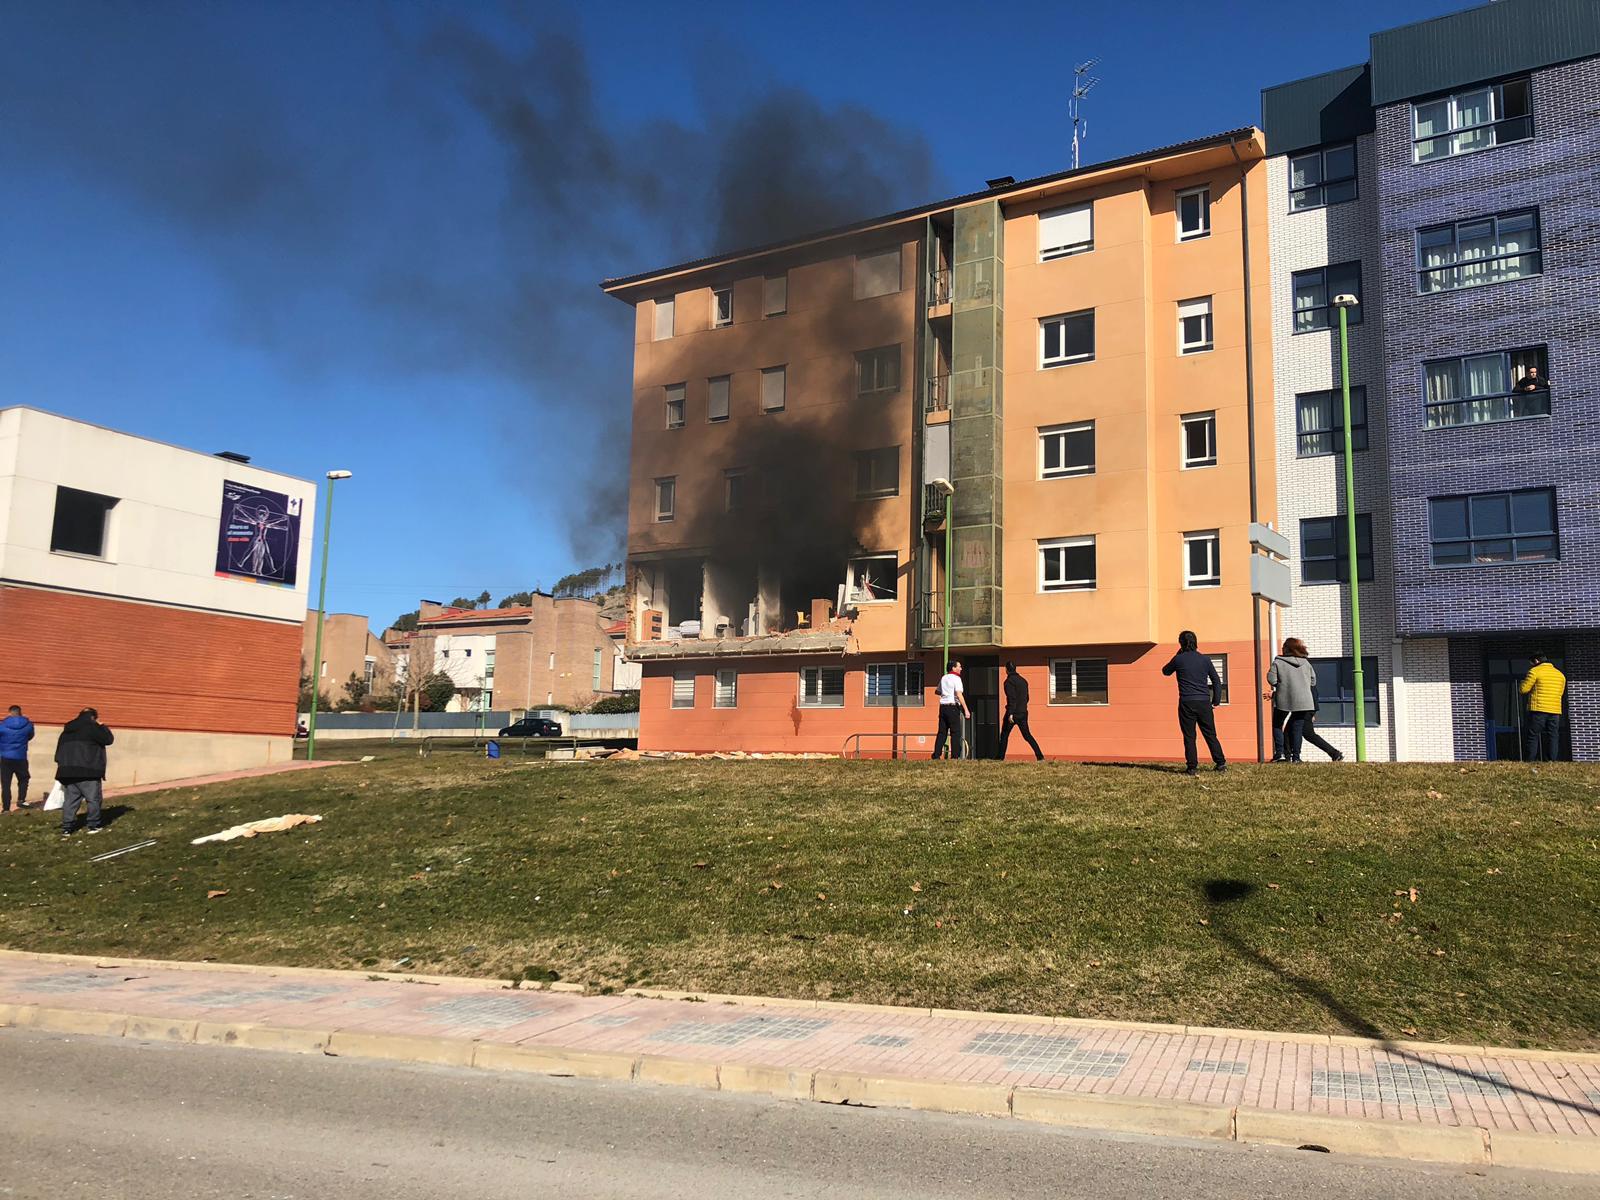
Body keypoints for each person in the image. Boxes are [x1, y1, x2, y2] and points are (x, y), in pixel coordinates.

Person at [1161, 631, 1226, 775]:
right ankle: (1220, 763)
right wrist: (1216, 700)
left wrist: (1178, 655)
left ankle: (1192, 767)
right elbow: (1216, 680)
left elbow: (1165, 671)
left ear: (1181, 643)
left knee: (1189, 736)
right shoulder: (1205, 660)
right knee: (1210, 734)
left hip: (1186, 702)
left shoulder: (1179, 660)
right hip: (1204, 702)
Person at [1267, 639, 1341, 762]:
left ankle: (1280, 754)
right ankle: (1296, 757)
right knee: (1297, 729)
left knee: (1277, 724)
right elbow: (1313, 681)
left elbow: (1271, 679)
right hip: (1304, 701)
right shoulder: (1306, 663)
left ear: (1286, 649)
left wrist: (1281, 687)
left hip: (1283, 699)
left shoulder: (1278, 662)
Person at [56, 707, 114, 837]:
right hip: (88, 770)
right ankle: (93, 825)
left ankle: (67, 827)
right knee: (93, 799)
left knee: (70, 800)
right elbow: (108, 739)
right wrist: (102, 725)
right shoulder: (92, 727)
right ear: (93, 717)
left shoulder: (67, 731)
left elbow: (58, 752)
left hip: (67, 771)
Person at [1519, 653, 1566, 762]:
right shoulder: (1560, 675)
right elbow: (1561, 692)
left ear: (1536, 661)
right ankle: (1551, 760)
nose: (1530, 665)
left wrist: (1522, 683)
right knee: (1553, 735)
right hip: (1555, 710)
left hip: (1538, 709)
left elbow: (1523, 690)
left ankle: (1530, 760)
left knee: (1533, 735)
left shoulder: (1534, 672)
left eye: (1531, 663)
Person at [998, 662, 1044, 761]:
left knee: (1004, 735)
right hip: (1023, 712)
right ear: (1015, 668)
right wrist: (1022, 707)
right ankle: (1040, 756)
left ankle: (1000, 758)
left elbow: (1011, 698)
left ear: (1006, 670)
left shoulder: (1009, 682)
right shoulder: (1023, 681)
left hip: (1013, 713)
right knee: (1027, 735)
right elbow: (1027, 698)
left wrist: (1010, 713)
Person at [931, 660, 970, 760]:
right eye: (959, 666)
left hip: (943, 707)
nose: (961, 669)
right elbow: (959, 694)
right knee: (955, 732)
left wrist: (946, 693)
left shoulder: (944, 678)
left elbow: (937, 691)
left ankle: (936, 755)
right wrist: (966, 709)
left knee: (942, 732)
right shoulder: (956, 678)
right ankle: (955, 756)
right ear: (953, 668)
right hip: (953, 707)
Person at [0, 704, 34, 812]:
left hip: (5, 757)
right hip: (20, 756)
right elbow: (30, 736)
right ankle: (21, 800)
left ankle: (6, 808)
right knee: (24, 779)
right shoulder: (28, 725)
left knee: (6, 783)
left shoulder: (2, 725)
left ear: (10, 712)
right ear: (20, 712)